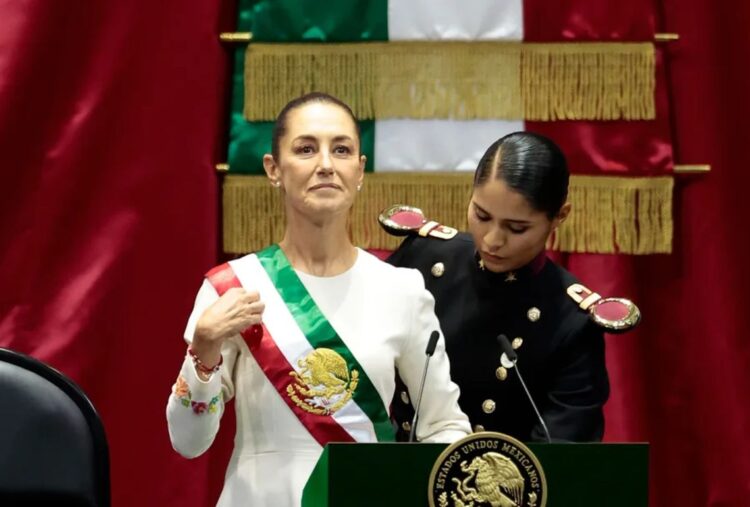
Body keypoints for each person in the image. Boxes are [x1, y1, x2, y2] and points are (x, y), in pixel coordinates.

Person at [166, 92, 470, 507]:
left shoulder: (402, 290)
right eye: (306, 149)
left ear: (360, 170)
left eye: (341, 149)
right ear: (274, 169)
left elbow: (447, 427)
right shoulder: (233, 288)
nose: (326, 164)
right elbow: (188, 441)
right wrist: (204, 348)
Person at [386, 131, 633, 443]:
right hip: (399, 467)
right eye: (481, 215)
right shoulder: (422, 258)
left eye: (517, 228)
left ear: (559, 216)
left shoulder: (571, 320)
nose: (492, 240)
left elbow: (562, 456)